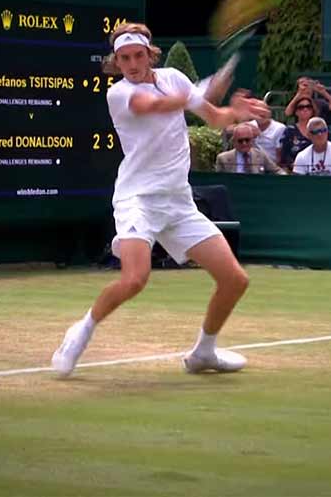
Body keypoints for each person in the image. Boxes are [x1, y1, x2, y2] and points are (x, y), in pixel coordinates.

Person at [51, 22, 269, 377]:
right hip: (138, 199)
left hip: (178, 202)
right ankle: (81, 331)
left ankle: (203, 352)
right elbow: (154, 105)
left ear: (150, 55)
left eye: (138, 56)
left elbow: (214, 118)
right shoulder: (119, 94)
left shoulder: (173, 78)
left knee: (235, 280)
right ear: (116, 62)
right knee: (135, 279)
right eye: (124, 58)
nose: (132, 64)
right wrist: (202, 89)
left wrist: (235, 112)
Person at [215, 123, 284, 174]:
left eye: (247, 140)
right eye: (240, 141)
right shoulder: (223, 158)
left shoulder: (260, 155)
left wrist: (285, 179)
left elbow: (277, 170)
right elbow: (219, 180)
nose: (244, 143)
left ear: (252, 140)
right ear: (234, 142)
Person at [279, 94, 316, 171]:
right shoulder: (290, 130)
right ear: (296, 112)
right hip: (294, 170)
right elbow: (284, 155)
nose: (305, 109)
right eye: (301, 107)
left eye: (308, 107)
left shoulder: (318, 129)